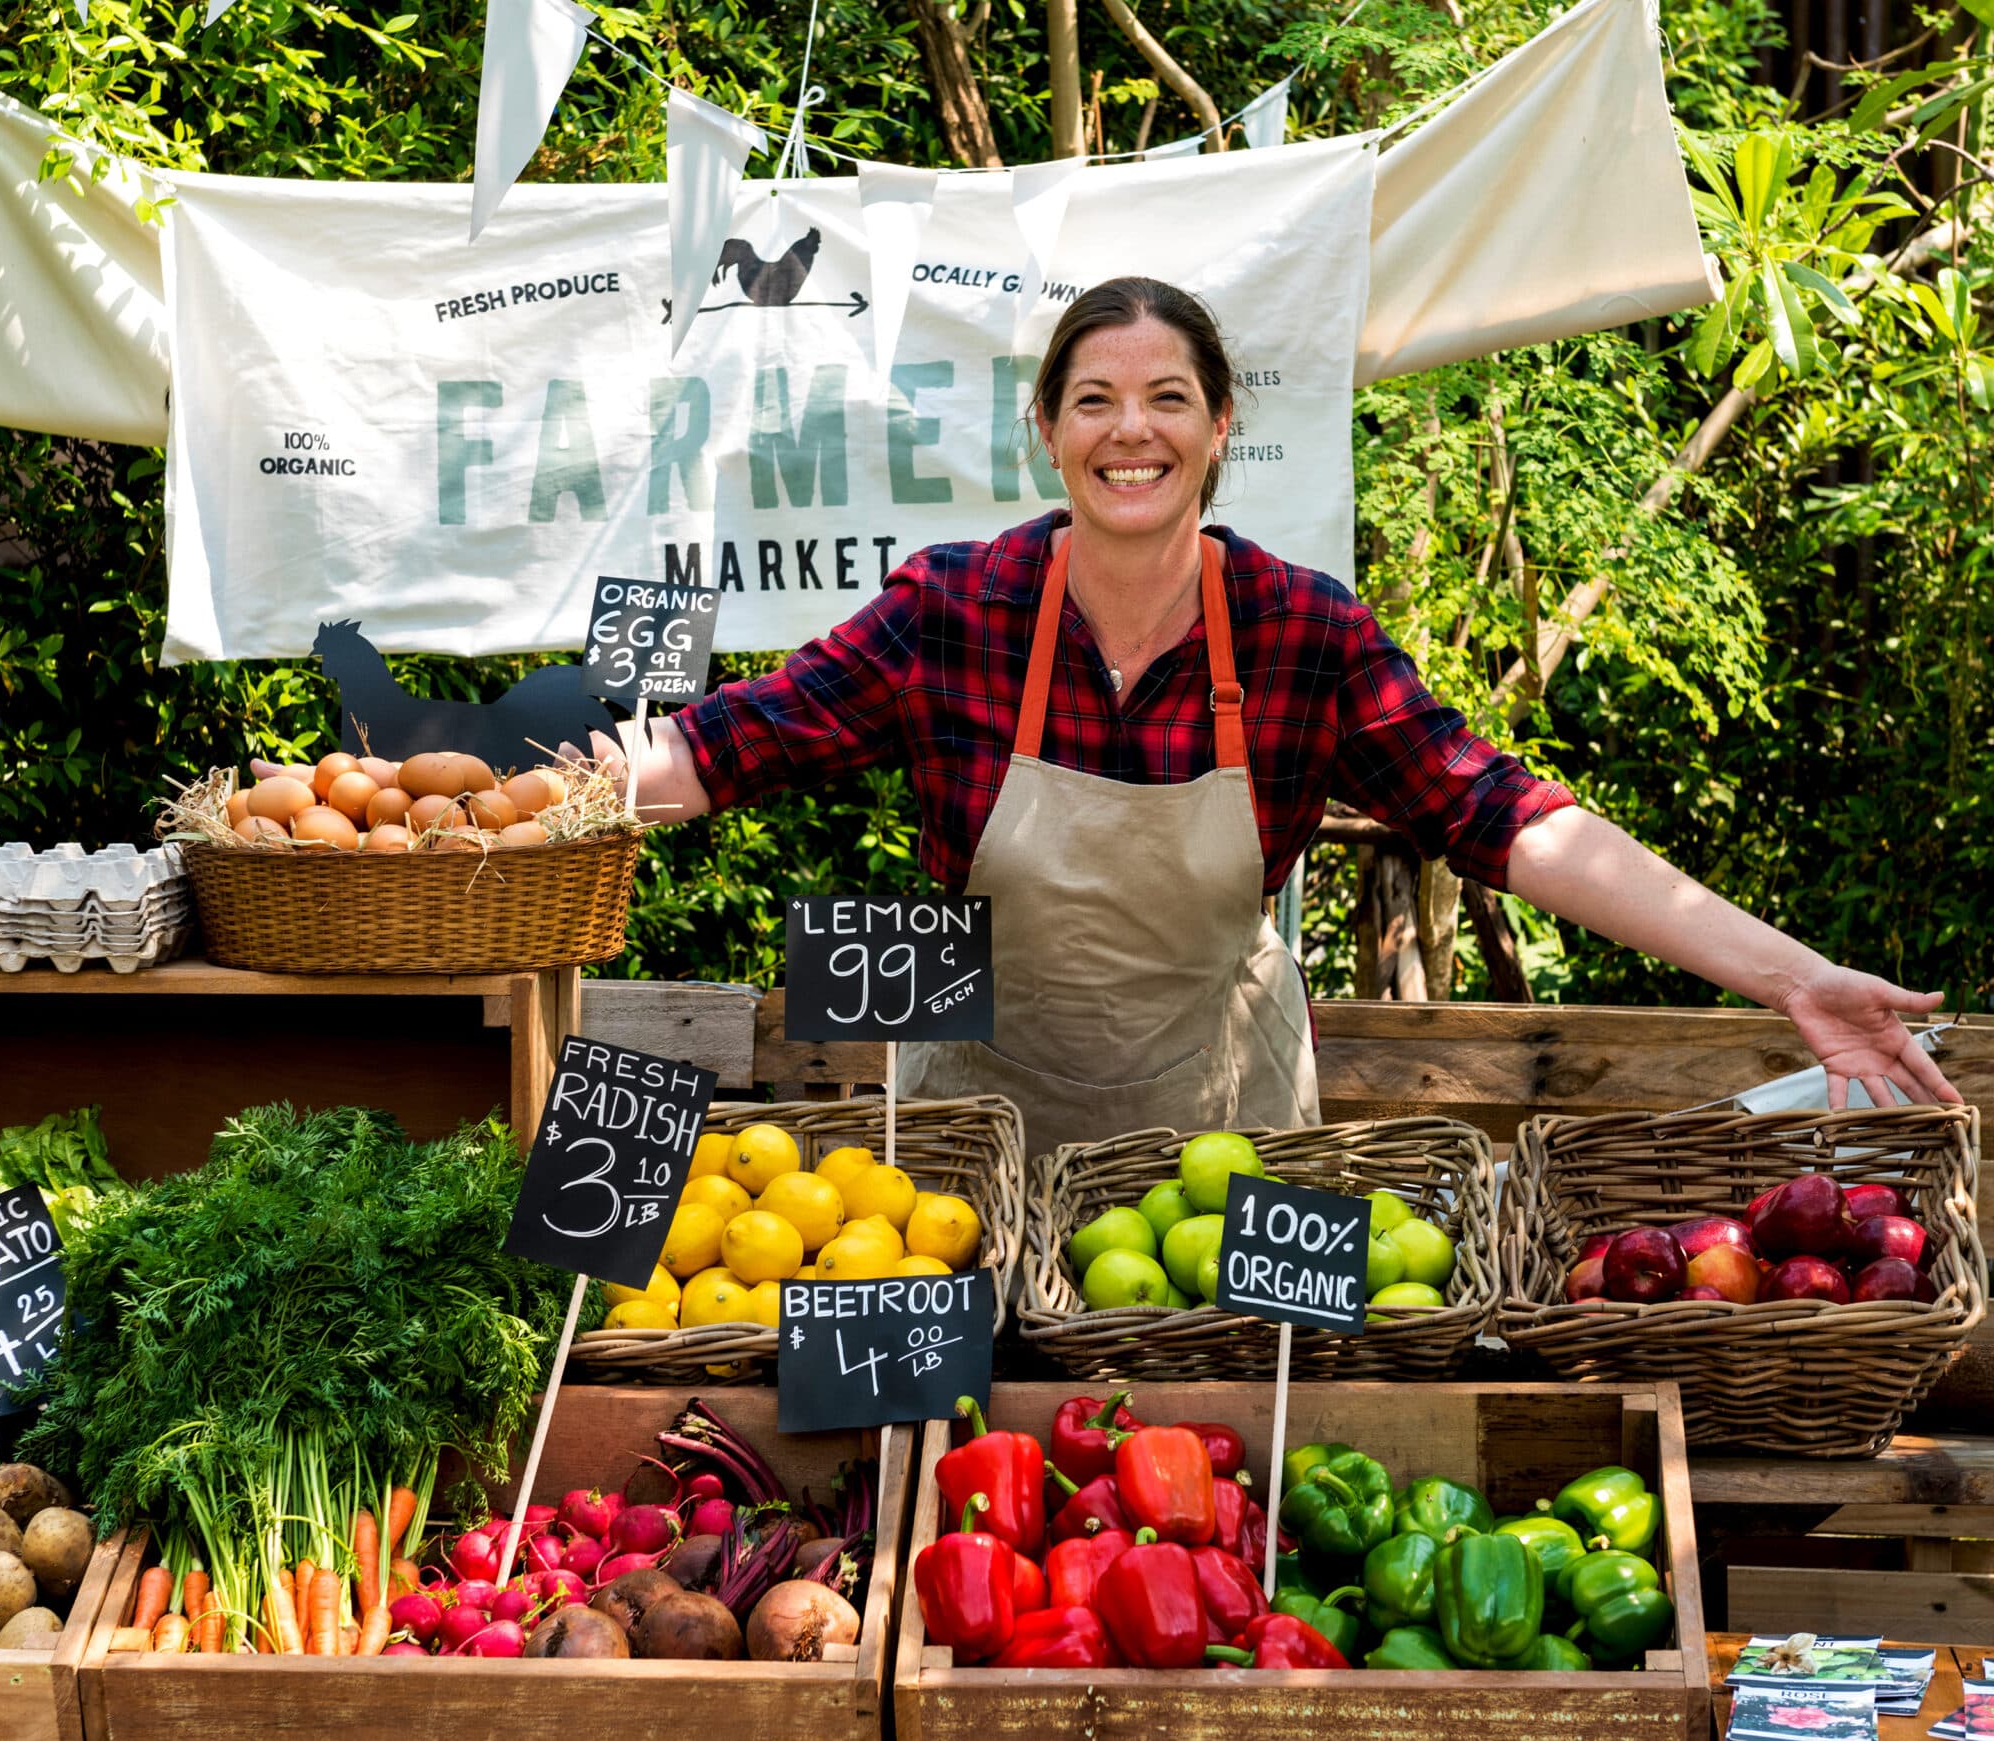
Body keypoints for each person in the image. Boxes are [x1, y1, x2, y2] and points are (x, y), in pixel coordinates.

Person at [589, 275, 1957, 1160]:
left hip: (1221, 1129)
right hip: (971, 1133)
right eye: (1097, 401)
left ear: (1222, 424)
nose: (1135, 430)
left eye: (1169, 398)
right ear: (1050, 434)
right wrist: (503, 808)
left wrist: (1788, 975)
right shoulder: (956, 608)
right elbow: (722, 749)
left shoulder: (1303, 632)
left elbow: (1511, 821)